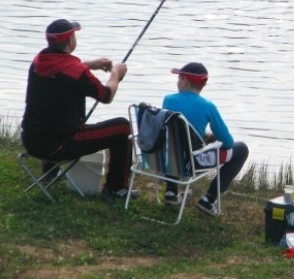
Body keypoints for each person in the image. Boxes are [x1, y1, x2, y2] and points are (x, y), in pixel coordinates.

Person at [21, 18, 137, 199]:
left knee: (51, 114)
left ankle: (50, 172)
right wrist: (116, 73)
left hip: (31, 141)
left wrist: (92, 64)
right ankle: (115, 188)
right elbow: (106, 95)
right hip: (61, 145)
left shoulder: (38, 62)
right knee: (122, 127)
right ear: (70, 41)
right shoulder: (76, 72)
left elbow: (62, 72)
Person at [162, 62, 249, 216]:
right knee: (241, 149)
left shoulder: (168, 100)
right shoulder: (208, 106)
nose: (177, 81)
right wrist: (211, 137)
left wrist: (200, 136)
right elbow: (228, 143)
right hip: (193, 163)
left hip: (167, 158)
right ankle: (209, 199)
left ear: (186, 81)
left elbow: (178, 129)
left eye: (179, 78)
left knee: (175, 144)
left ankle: (171, 191)